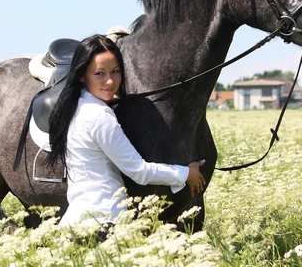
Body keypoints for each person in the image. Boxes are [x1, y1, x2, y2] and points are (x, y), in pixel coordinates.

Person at [46, 34, 206, 228]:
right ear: (82, 75)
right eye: (99, 74)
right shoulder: (99, 116)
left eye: (115, 71)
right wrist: (185, 174)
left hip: (76, 222)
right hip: (104, 223)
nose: (110, 81)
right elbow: (138, 171)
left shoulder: (76, 105)